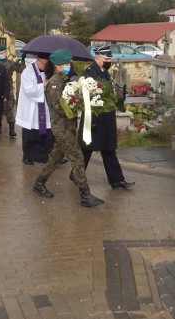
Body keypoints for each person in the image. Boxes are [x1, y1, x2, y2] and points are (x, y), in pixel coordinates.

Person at [32, 49, 104, 207]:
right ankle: (85, 195)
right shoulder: (54, 84)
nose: (68, 66)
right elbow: (59, 108)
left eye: (69, 63)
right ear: (57, 65)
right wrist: (77, 104)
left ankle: (39, 184)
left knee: (55, 159)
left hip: (68, 127)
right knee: (78, 159)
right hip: (62, 129)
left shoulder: (66, 81)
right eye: (65, 64)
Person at [77, 45, 135, 190]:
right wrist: (93, 122)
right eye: (106, 58)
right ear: (97, 58)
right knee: (86, 149)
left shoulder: (104, 72)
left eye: (110, 58)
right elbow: (89, 97)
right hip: (95, 119)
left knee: (108, 149)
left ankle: (117, 180)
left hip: (106, 119)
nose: (109, 61)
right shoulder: (89, 73)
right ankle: (76, 174)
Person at [15, 53, 54, 165]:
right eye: (43, 63)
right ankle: (28, 156)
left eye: (47, 64)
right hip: (31, 106)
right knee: (31, 133)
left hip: (45, 105)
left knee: (47, 131)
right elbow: (28, 90)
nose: (44, 66)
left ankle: (47, 156)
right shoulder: (28, 71)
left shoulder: (49, 70)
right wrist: (43, 85)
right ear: (37, 59)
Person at [0, 46, 22, 137]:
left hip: (9, 87)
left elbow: (20, 69)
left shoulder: (11, 63)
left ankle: (12, 129)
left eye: (2, 53)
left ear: (6, 53)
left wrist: (21, 62)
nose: (0, 55)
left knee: (10, 107)